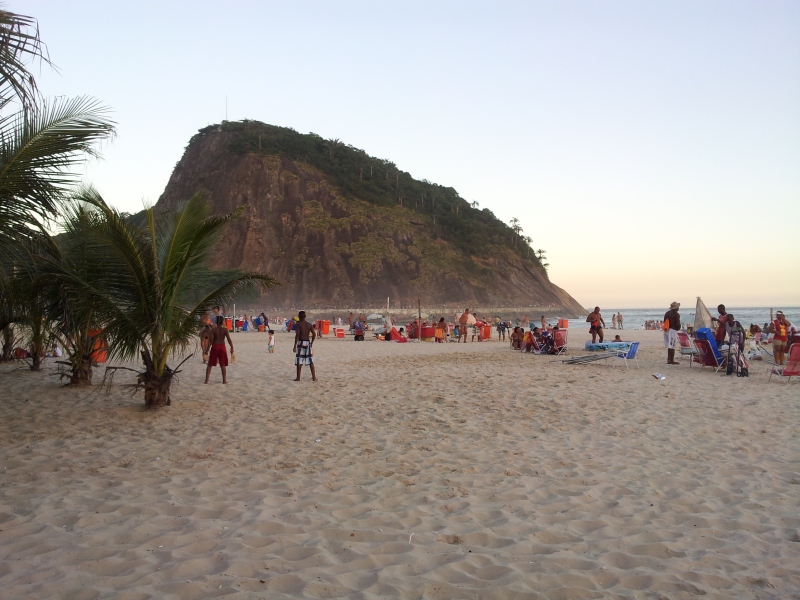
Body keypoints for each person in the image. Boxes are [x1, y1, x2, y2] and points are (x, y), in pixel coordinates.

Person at [205, 316, 234, 384]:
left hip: (215, 346)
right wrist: (232, 347)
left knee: (210, 364)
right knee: (222, 364)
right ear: (222, 321)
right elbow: (229, 339)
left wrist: (207, 349)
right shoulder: (225, 329)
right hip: (222, 347)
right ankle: (224, 380)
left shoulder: (214, 329)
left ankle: (206, 380)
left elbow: (211, 340)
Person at [293, 310, 317, 381]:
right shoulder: (309, 324)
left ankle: (298, 377)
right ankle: (314, 377)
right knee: (310, 360)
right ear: (305, 317)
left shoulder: (298, 324)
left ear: (299, 317)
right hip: (307, 342)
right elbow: (314, 334)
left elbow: (297, 335)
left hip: (301, 342)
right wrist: (311, 342)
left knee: (299, 360)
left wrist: (295, 345)